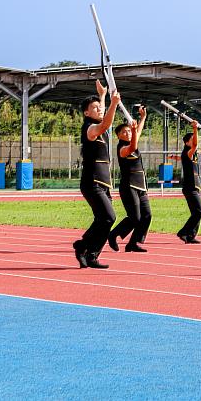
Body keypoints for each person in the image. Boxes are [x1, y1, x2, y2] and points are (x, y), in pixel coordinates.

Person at [73, 80, 121, 269]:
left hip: (103, 182)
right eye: (95, 108)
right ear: (86, 113)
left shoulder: (98, 123)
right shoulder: (90, 129)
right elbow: (105, 124)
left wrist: (102, 96)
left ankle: (88, 252)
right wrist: (114, 103)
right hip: (92, 181)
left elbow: (103, 117)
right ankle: (86, 248)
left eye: (100, 107)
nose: (99, 109)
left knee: (103, 219)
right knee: (108, 217)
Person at [108, 105, 151, 253]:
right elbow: (132, 147)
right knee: (135, 217)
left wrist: (143, 117)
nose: (128, 133)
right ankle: (113, 235)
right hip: (129, 186)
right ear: (118, 135)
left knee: (147, 216)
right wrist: (133, 130)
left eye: (128, 130)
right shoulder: (122, 148)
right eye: (124, 132)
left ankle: (133, 243)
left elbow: (138, 131)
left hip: (141, 186)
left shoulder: (134, 139)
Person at [177, 120, 201, 244]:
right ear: (187, 142)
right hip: (190, 187)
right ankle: (183, 232)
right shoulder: (188, 151)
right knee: (199, 211)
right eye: (192, 139)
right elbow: (194, 146)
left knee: (196, 213)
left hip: (196, 186)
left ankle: (191, 236)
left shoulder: (191, 154)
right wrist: (195, 129)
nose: (194, 141)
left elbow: (184, 158)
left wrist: (174, 157)